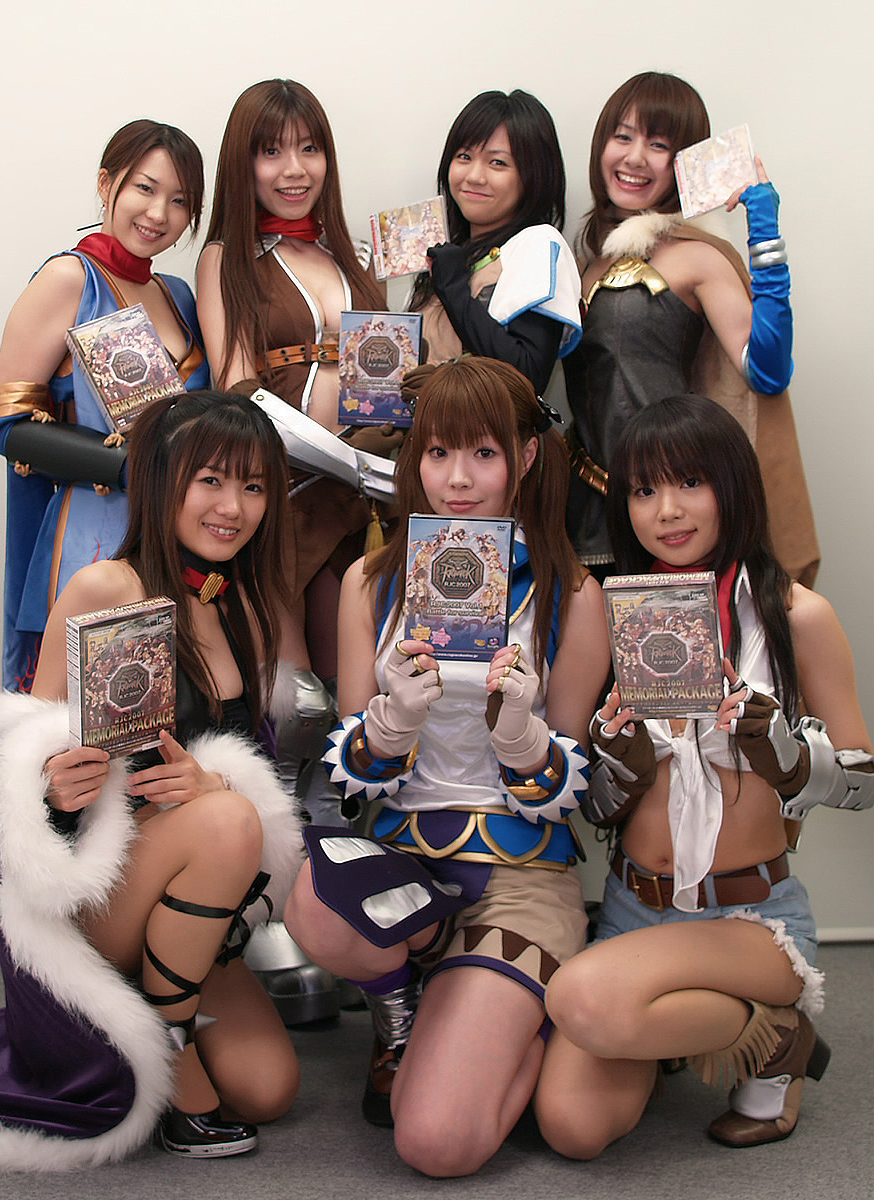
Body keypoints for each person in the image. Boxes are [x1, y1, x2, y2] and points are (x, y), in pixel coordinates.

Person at [284, 357, 610, 1177]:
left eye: (483, 454)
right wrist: (393, 720)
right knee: (311, 902)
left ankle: (521, 1021)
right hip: (407, 861)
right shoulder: (371, 582)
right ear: (414, 458)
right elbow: (354, 771)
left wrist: (521, 736)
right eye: (437, 453)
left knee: (435, 1142)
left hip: (521, 874)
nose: (457, 480)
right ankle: (399, 1009)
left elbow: (573, 784)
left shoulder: (572, 593)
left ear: (524, 457)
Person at [536, 395, 872, 1158]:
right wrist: (616, 762)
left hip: (750, 918)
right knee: (572, 1127)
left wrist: (787, 754)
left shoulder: (796, 615)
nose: (667, 511)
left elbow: (865, 778)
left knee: (583, 998)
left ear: (734, 484)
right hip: (634, 906)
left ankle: (776, 1035)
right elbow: (568, 781)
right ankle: (730, 1027)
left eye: (691, 482)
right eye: (643, 490)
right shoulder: (606, 612)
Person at [0, 391, 305, 1168]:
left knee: (269, 1090)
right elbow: (24, 753)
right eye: (211, 480)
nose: (233, 507)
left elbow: (257, 770)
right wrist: (57, 790)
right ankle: (171, 1055)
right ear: (161, 479)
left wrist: (217, 787)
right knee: (227, 820)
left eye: (254, 486)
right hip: (90, 899)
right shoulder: (106, 587)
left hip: (187, 903)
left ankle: (170, 1007)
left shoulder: (244, 605)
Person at [0, 120, 210, 693]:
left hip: (174, 535)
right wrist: (133, 466)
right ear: (107, 184)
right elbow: (1, 420)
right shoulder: (69, 279)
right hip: (93, 531)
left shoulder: (179, 295)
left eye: (180, 201)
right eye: (145, 188)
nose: (158, 213)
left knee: (166, 707)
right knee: (87, 709)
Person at [564, 71, 818, 585]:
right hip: (585, 508)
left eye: (658, 145)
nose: (635, 158)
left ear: (683, 162)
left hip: (672, 515)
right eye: (623, 136)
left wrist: (764, 227)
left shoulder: (696, 256)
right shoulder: (584, 260)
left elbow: (767, 372)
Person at [198, 77, 395, 684]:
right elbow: (237, 388)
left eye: (310, 148)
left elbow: (389, 373)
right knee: (291, 690)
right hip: (286, 493)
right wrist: (342, 461)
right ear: (243, 163)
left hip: (368, 494)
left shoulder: (356, 256)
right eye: (272, 150)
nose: (294, 169)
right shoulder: (226, 258)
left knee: (362, 678)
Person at [408, 89, 582, 396]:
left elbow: (526, 377)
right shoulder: (447, 250)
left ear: (534, 175)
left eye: (498, 163)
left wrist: (454, 287)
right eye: (464, 157)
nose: (475, 176)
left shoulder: (536, 245)